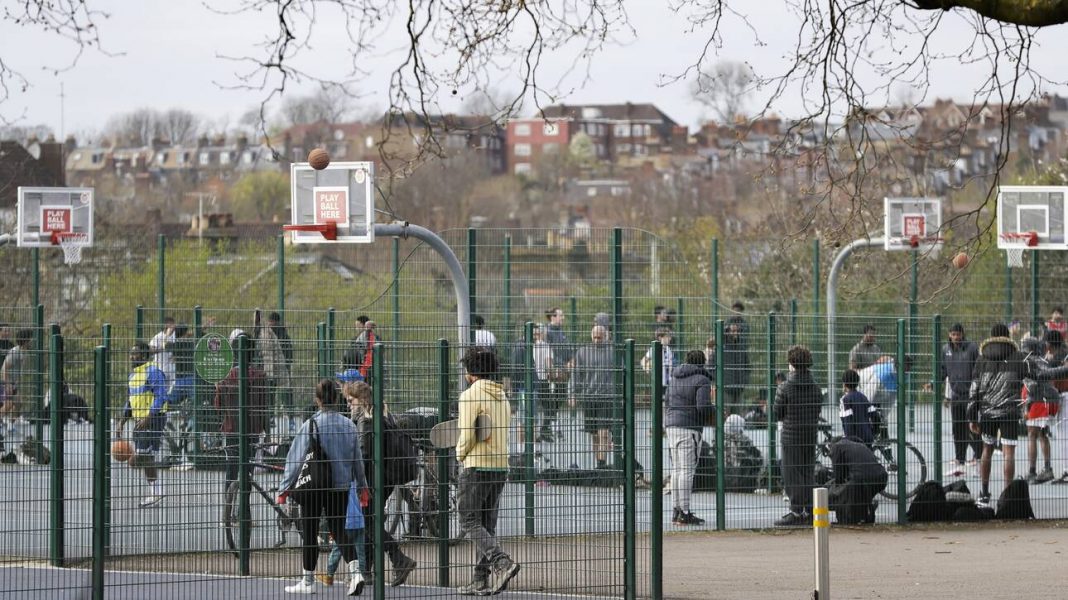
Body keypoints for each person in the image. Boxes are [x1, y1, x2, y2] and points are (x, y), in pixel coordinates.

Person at [277, 378, 368, 596]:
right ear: (336, 398)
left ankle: (307, 580)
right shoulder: (349, 425)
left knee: (310, 531)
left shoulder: (311, 425)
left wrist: (283, 489)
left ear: (318, 400)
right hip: (341, 487)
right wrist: (362, 487)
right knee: (339, 531)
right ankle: (356, 573)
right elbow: (358, 460)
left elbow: (294, 460)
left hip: (315, 487)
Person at [455, 347, 520, 596]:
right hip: (500, 466)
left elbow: (468, 434)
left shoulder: (470, 395)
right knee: (486, 524)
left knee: (469, 520)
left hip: (476, 465)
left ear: (470, 372)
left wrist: (459, 454)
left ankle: (502, 563)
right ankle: (480, 579)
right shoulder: (502, 396)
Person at [344, 380, 417, 587]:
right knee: (372, 521)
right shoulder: (383, 414)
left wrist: (357, 480)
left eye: (351, 401)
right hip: (386, 477)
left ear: (362, 399)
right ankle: (367, 570)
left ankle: (398, 558)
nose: (349, 405)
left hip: (373, 480)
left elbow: (364, 454)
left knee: (369, 522)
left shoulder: (366, 422)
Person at [214, 329, 270, 493]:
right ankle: (244, 511)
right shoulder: (260, 376)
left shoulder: (226, 376)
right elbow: (264, 407)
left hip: (232, 431)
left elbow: (218, 407)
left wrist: (218, 388)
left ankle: (228, 510)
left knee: (231, 469)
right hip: (252, 430)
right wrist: (267, 433)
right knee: (248, 470)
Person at [115, 341, 170, 508]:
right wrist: (122, 421)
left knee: (141, 457)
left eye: (136, 353)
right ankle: (156, 492)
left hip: (153, 418)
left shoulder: (153, 372)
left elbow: (161, 396)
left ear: (145, 355)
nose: (132, 356)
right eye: (131, 353)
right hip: (139, 420)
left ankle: (157, 491)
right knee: (146, 457)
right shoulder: (133, 376)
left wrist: (149, 417)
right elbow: (130, 402)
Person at [664, 349, 714, 525]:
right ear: (703, 362)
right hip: (689, 427)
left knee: (676, 469)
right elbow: (703, 407)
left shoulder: (674, 378)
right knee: (687, 470)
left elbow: (667, 402)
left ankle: (676, 511)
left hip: (671, 426)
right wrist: (715, 411)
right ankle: (685, 512)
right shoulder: (703, 380)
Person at [774, 345, 821, 527]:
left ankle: (795, 511)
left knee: (792, 473)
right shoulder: (815, 387)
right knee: (808, 472)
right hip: (810, 434)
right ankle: (809, 510)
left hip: (791, 435)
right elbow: (817, 409)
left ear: (791, 364)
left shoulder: (785, 387)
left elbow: (778, 412)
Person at [570, 325, 617, 470]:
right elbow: (576, 374)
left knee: (603, 432)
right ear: (591, 336)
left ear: (606, 336)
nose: (597, 340)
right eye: (595, 337)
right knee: (594, 434)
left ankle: (602, 465)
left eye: (600, 337)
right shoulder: (583, 352)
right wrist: (572, 393)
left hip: (607, 397)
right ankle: (599, 463)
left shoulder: (614, 351)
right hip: (589, 397)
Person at [1022, 333, 1065, 484]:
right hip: (1047, 400)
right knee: (1042, 434)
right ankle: (1047, 468)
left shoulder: (1030, 361)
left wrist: (1027, 403)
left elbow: (1032, 385)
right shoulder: (1042, 360)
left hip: (1038, 400)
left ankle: (1032, 471)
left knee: (1032, 435)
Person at [938, 323, 981, 476]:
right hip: (956, 396)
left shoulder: (972, 348)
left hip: (971, 396)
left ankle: (978, 459)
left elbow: (979, 369)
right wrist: (934, 382)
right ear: (949, 334)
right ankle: (960, 461)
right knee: (958, 429)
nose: (956, 337)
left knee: (973, 427)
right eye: (953, 334)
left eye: (958, 334)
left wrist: (977, 391)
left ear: (963, 334)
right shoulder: (945, 350)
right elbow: (942, 370)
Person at [828, 436, 888, 524]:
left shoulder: (837, 447)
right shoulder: (860, 445)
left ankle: (848, 518)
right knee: (860, 491)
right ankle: (866, 514)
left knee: (843, 492)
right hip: (881, 477)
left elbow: (838, 476)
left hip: (862, 479)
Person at [164, 324, 197, 469]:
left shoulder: (176, 344)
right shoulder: (191, 343)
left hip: (180, 381)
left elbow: (165, 345)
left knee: (168, 403)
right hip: (191, 380)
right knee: (196, 406)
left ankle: (168, 421)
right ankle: (191, 428)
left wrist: (167, 334)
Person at [541, 307, 570, 442]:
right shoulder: (547, 332)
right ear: (552, 317)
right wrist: (558, 366)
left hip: (564, 370)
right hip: (554, 371)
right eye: (560, 315)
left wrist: (570, 361)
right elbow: (549, 352)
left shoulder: (562, 332)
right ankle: (550, 427)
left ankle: (549, 426)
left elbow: (567, 349)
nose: (562, 318)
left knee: (560, 397)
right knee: (552, 399)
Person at [0, 328, 34, 431]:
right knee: (9, 404)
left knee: (18, 403)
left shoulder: (25, 352)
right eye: (31, 338)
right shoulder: (15, 352)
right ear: (26, 340)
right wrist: (7, 384)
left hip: (14, 382)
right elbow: (5, 368)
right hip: (5, 381)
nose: (33, 340)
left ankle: (11, 424)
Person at [838, 369, 882, 447]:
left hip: (854, 441)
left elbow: (847, 422)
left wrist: (849, 440)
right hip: (867, 438)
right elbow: (875, 417)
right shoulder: (863, 397)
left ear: (844, 384)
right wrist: (873, 432)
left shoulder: (845, 399)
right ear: (857, 383)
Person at [722, 319, 750, 415]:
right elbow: (711, 366)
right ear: (727, 332)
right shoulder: (721, 347)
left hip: (739, 388)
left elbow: (747, 367)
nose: (736, 333)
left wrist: (744, 382)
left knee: (738, 418)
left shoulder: (741, 347)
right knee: (724, 416)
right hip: (726, 389)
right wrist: (721, 381)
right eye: (733, 331)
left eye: (737, 331)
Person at [149, 316, 177, 391]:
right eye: (171, 324)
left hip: (172, 370)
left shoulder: (176, 336)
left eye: (173, 324)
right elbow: (151, 350)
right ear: (166, 325)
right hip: (160, 368)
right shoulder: (158, 337)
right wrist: (163, 347)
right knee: (161, 389)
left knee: (171, 390)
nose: (173, 327)